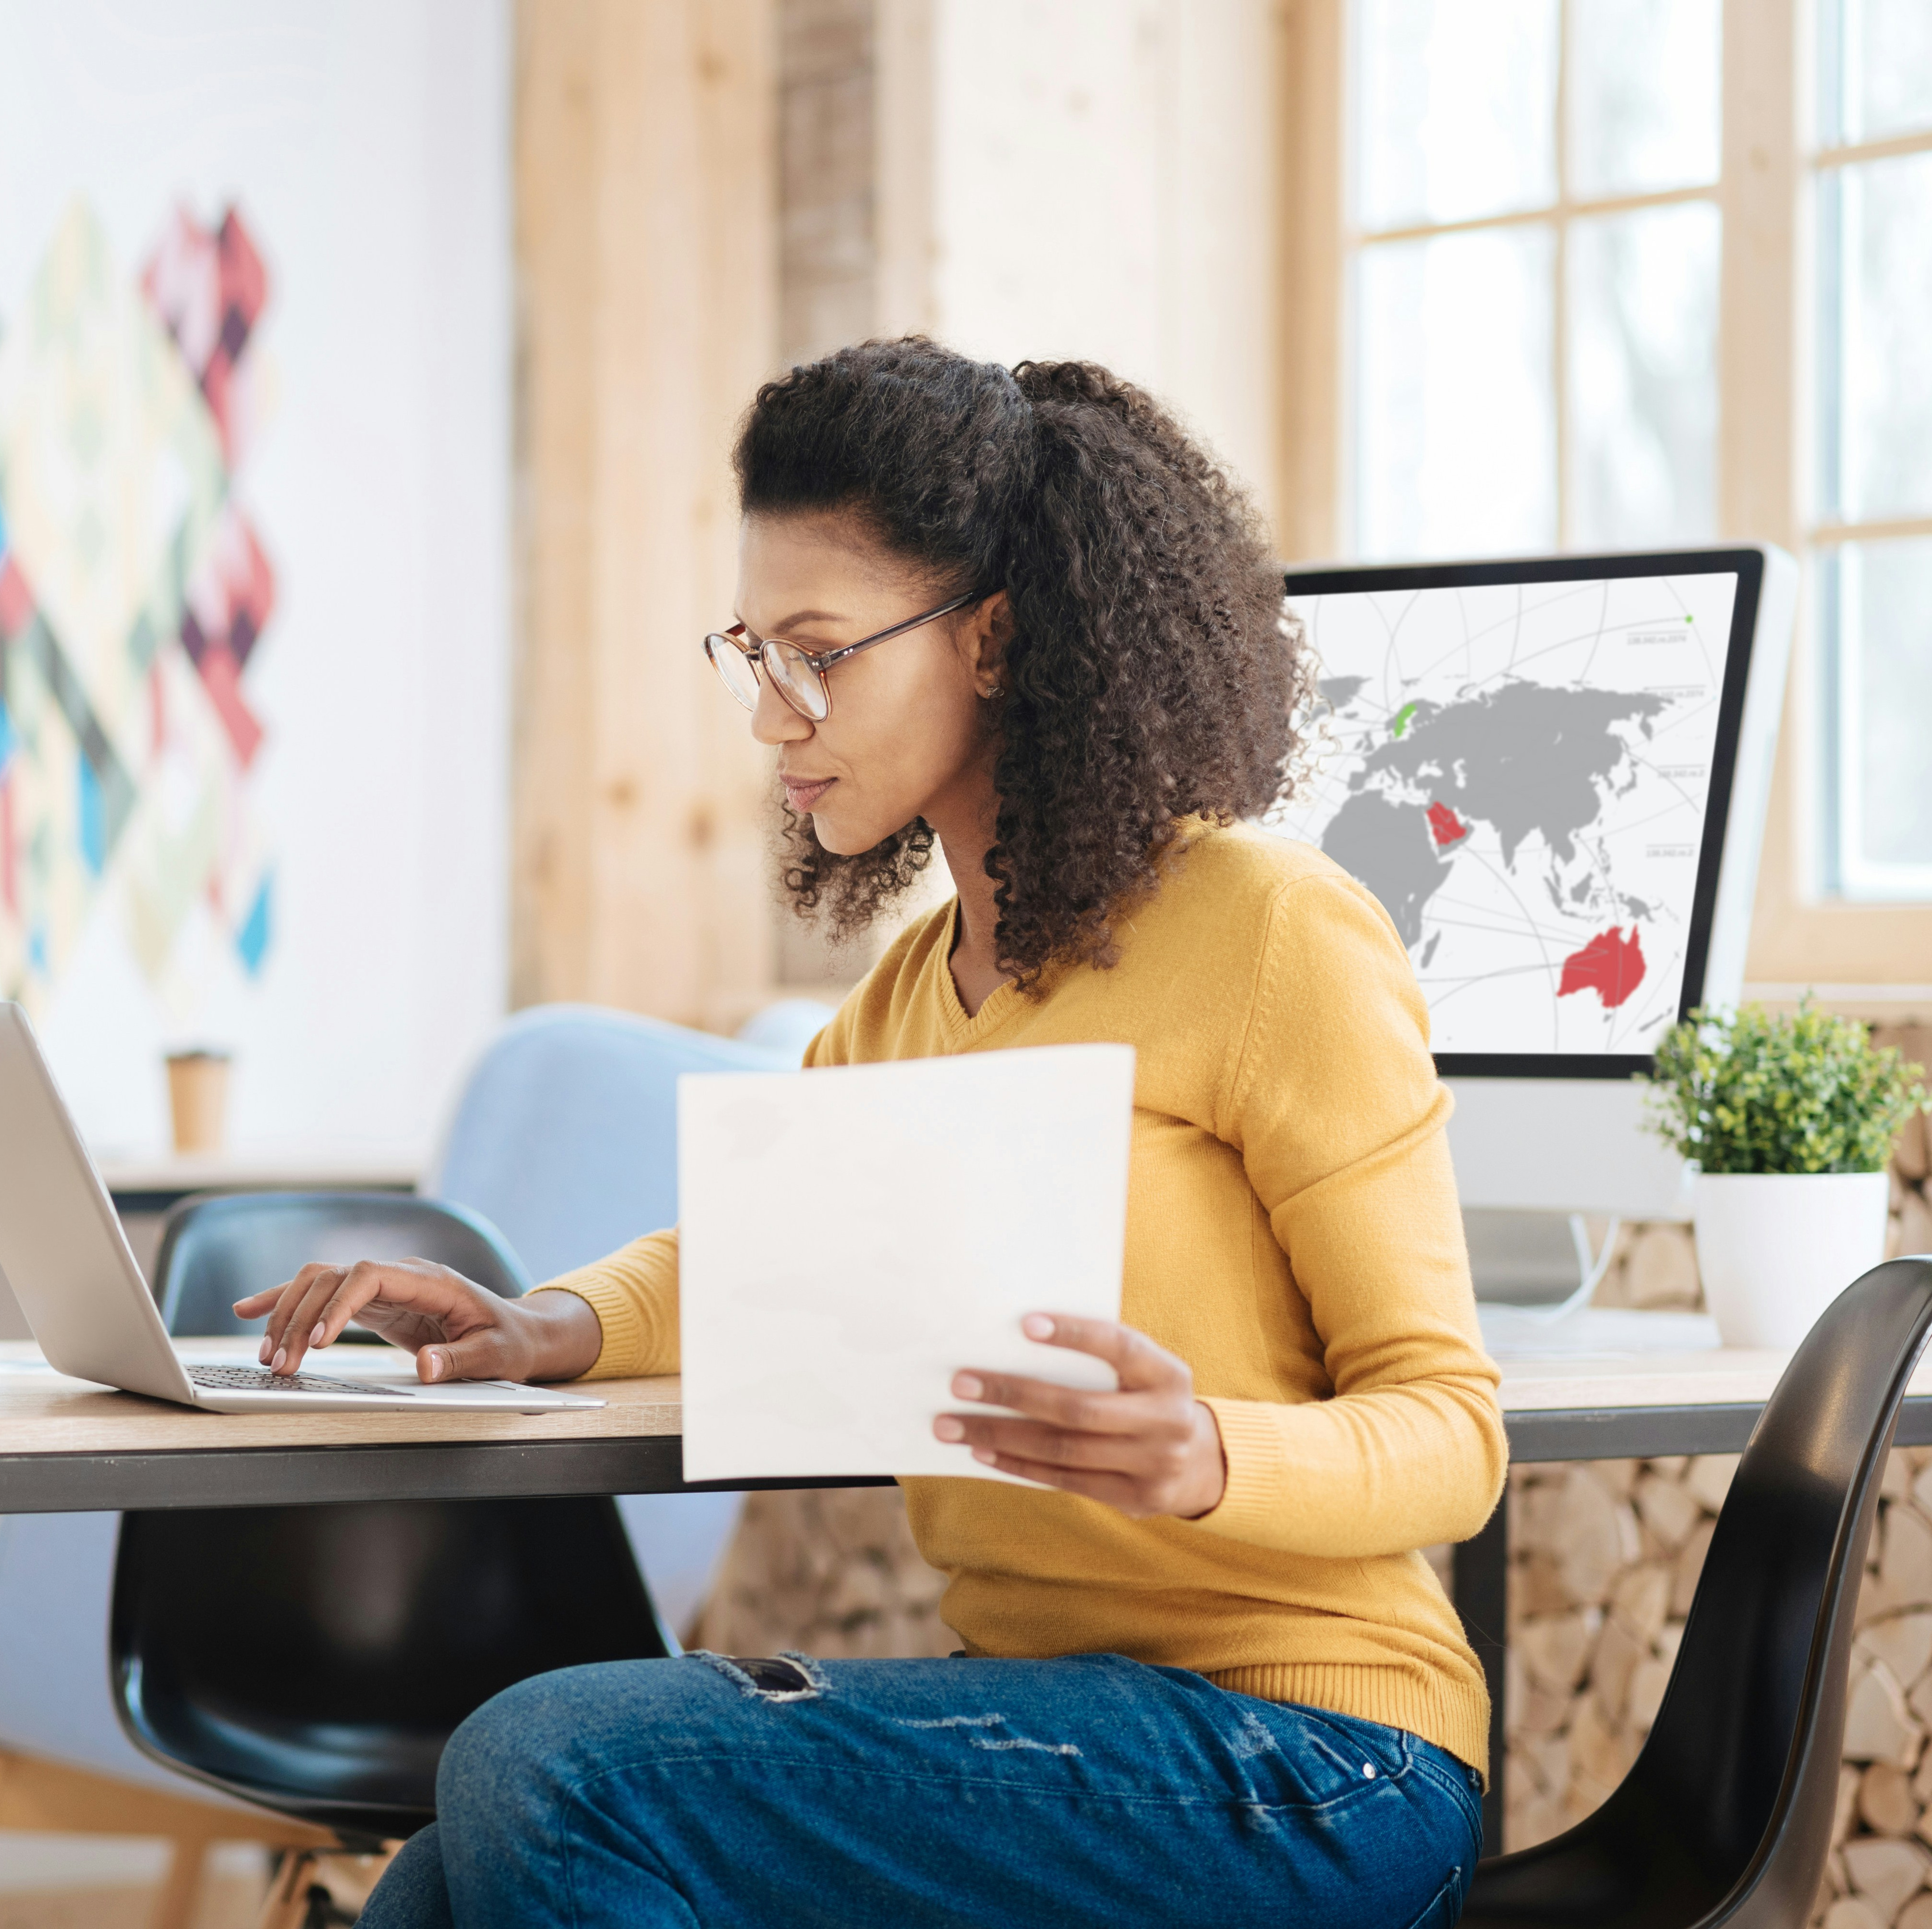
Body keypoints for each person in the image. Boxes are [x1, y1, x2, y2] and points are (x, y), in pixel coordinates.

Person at [238, 340, 1503, 1929]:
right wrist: (543, 1323)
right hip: (1052, 1723)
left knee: (549, 1767)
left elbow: (1452, 1433)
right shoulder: (908, 999)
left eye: (820, 655)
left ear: (995, 637)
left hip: (1320, 1760)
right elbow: (754, 1261)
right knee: (441, 1880)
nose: (775, 718)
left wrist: (1209, 1456)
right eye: (754, 657)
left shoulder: (1271, 934)